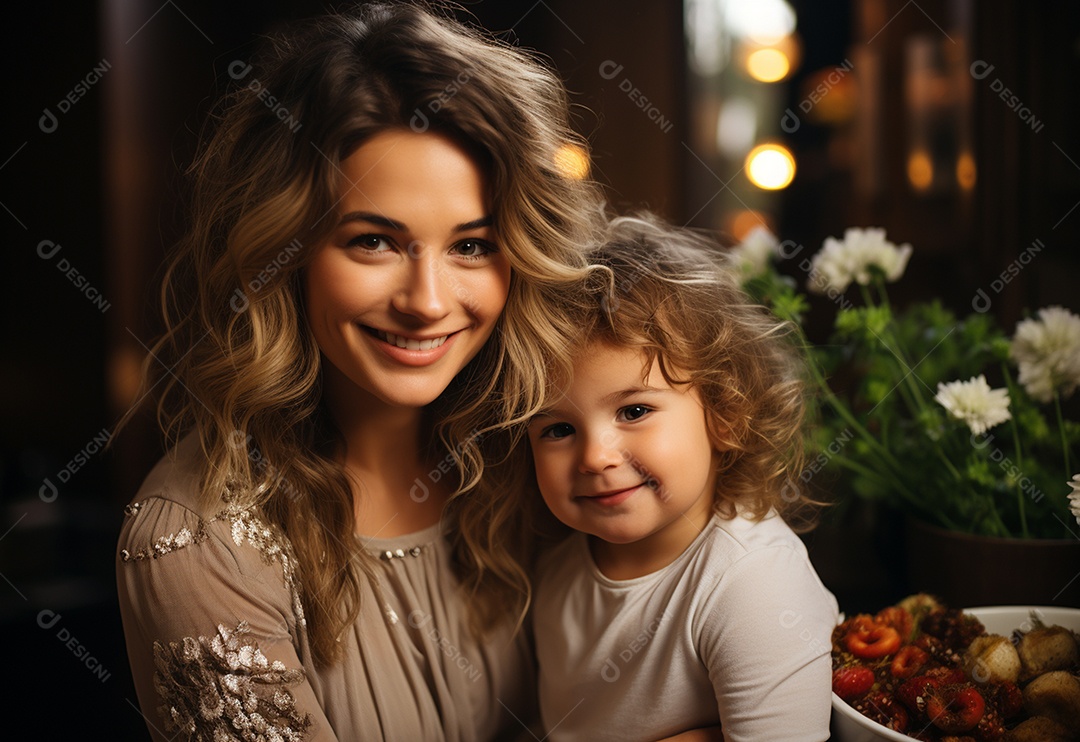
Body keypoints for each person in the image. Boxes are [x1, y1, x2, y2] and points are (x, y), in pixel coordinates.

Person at [115, 3, 605, 740]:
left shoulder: (545, 453)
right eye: (374, 240)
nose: (428, 302)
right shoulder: (197, 543)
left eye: (471, 246)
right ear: (286, 249)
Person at [519, 215, 839, 742]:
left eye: (634, 411)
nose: (595, 456)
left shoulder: (753, 582)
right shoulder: (557, 561)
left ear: (724, 413)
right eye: (556, 428)